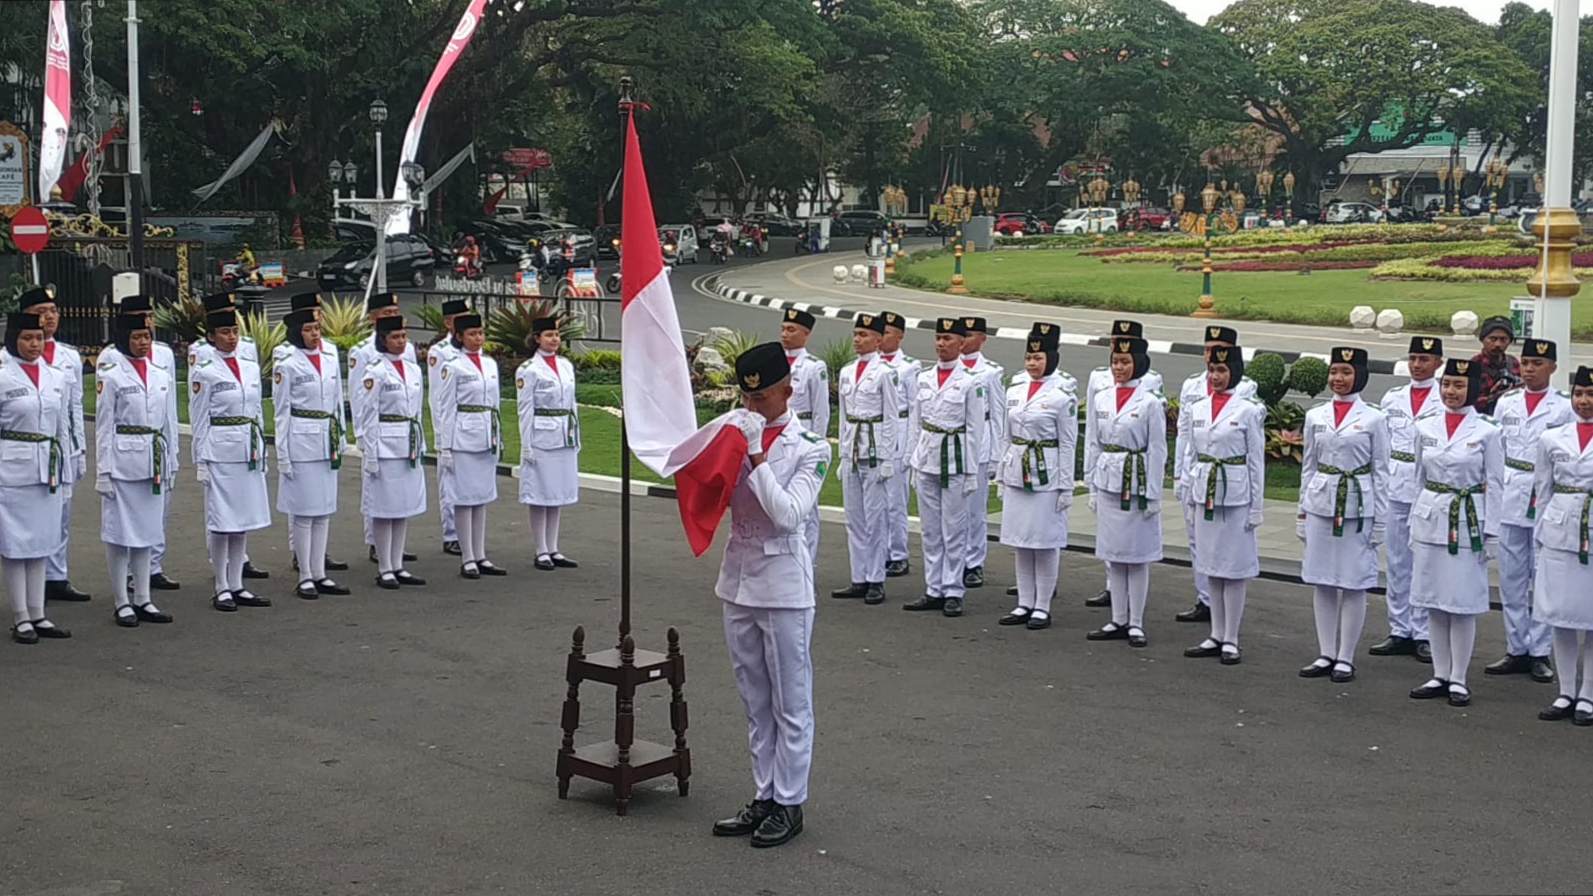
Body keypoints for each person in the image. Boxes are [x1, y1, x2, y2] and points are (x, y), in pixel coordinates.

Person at [709, 343, 830, 849]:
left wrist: (756, 454)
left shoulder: (811, 447)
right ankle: (764, 793)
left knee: (790, 701)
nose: (754, 406)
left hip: (783, 584)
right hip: (738, 577)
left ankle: (789, 800)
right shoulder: (738, 431)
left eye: (764, 397)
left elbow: (788, 514)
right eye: (748, 397)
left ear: (788, 390)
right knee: (754, 698)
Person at [1407, 358, 1504, 708]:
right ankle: (1439, 672)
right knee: (1433, 600)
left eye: (1459, 385)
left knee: (1460, 602)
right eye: (1446, 384)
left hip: (1467, 522)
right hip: (1431, 518)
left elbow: (1495, 483)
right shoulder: (1425, 426)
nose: (1450, 391)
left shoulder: (1487, 431)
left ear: (1473, 389)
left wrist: (1491, 533)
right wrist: (1412, 525)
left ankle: (1459, 678)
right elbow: (1419, 478)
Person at [1297, 348, 1390, 683]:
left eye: (1346, 372)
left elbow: (1381, 470)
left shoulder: (1374, 418)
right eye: (1334, 371)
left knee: (1352, 583)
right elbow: (1308, 466)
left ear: (1360, 375)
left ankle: (1346, 656)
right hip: (1321, 503)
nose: (1338, 378)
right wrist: (1301, 512)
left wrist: (1380, 520)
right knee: (1322, 581)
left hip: (1357, 507)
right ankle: (1325, 652)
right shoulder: (1316, 415)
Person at [1486, 337, 1571, 684]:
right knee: (1511, 577)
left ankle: (1539, 649)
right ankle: (1515, 646)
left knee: (1543, 577)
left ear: (1552, 367)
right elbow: (1497, 449)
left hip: (1544, 493)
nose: (1530, 369)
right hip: (1510, 489)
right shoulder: (1507, 404)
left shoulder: (1563, 408)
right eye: (1526, 363)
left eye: (1538, 364)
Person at [1177, 346, 1266, 664]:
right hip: (1205, 493)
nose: (1215, 377)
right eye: (1212, 370)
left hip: (1235, 495)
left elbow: (1256, 461)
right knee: (1211, 566)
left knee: (1234, 569)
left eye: (1222, 371)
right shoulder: (1197, 408)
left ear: (1235, 373)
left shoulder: (1248, 410)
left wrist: (1257, 506)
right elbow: (1190, 452)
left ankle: (1231, 637)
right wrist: (1187, 492)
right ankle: (1215, 633)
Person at [1084, 335, 1167, 648]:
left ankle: (1136, 622)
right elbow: (1094, 440)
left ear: (1138, 365)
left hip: (1137, 482)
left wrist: (1155, 494)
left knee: (1137, 556)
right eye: (1115, 362)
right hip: (1108, 480)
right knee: (1113, 554)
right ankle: (1117, 618)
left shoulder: (1149, 402)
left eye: (1125, 362)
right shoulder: (1102, 397)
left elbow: (1158, 450)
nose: (1119, 368)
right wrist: (1091, 483)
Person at [189, 304, 273, 612]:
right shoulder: (205, 372)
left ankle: (238, 583)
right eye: (225, 332)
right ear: (212, 337)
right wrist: (200, 459)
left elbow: (256, 412)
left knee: (242, 520)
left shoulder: (250, 367)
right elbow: (198, 418)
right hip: (220, 449)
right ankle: (221, 585)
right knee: (221, 520)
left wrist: (261, 448)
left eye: (235, 331)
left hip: (246, 449)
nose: (232, 337)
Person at [96, 312, 176, 628]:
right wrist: (103, 471)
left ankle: (143, 597)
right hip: (123, 460)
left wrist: (169, 461)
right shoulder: (112, 375)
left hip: (152, 460)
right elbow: (103, 426)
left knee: (146, 531)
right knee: (118, 534)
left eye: (147, 336)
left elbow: (167, 422)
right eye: (136, 337)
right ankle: (121, 600)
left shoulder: (160, 374)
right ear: (124, 339)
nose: (143, 343)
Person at [995, 324, 1076, 631]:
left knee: (1044, 542)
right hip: (1018, 471)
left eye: (1038, 357)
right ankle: (1024, 602)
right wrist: (1001, 476)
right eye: (1029, 357)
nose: (1032, 363)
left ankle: (1042, 605)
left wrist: (1066, 486)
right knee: (1021, 541)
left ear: (1051, 358)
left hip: (1046, 475)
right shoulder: (1014, 391)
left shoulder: (1061, 395)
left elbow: (1068, 443)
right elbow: (1007, 436)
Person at [902, 318, 984, 617]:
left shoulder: (972, 381)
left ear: (962, 343)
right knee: (930, 529)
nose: (940, 343)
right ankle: (933, 587)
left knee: (954, 528)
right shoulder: (923, 378)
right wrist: (912, 460)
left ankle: (953, 588)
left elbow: (975, 430)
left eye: (948, 338)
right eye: (938, 338)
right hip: (927, 459)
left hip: (956, 460)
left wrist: (973, 471)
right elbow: (915, 422)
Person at [1371, 336, 1445, 663]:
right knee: (1398, 561)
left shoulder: (1445, 398)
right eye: (1413, 358)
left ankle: (1424, 632)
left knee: (1425, 563)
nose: (1417, 365)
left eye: (1425, 359)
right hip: (1395, 484)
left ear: (1438, 362)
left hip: (1427, 486)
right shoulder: (1393, 397)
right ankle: (1399, 628)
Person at [1, 312, 73, 643]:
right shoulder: (3, 376)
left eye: (39, 338)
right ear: (13, 339)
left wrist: (67, 474)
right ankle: (21, 616)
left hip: (49, 468)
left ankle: (38, 612)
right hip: (12, 469)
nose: (34, 345)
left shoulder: (55, 376)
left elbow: (62, 428)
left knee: (42, 541)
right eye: (27, 339)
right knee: (16, 544)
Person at [274, 308, 352, 600]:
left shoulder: (329, 359)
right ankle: (305, 574)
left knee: (323, 510)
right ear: (297, 333)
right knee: (305, 511)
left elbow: (335, 403)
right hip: (301, 440)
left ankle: (320, 572)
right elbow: (281, 412)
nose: (315, 334)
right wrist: (283, 453)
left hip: (326, 438)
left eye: (317, 328)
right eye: (308, 329)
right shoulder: (288, 364)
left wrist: (341, 436)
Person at [1530, 365, 1593, 724]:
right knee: (1561, 616)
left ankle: (1588, 694)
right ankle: (1566, 690)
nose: (1584, 402)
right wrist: (1541, 538)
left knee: (1591, 617)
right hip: (1559, 530)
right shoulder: (1552, 438)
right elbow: (1544, 489)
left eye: (1590, 395)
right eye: (1579, 394)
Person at [19, 288, 90, 604]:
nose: (50, 316)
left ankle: (56, 576)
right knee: (29, 514)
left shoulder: (69, 356)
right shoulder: (12, 358)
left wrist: (79, 449)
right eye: (42, 310)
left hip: (61, 446)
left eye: (54, 309)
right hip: (27, 447)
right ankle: (28, 577)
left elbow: (76, 406)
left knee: (60, 513)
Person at [108, 295, 182, 592]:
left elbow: (170, 408)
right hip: (128, 446)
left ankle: (153, 566)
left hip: (157, 442)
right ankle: (127, 572)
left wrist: (173, 449)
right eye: (138, 317)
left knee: (158, 509)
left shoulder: (162, 355)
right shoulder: (111, 358)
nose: (146, 323)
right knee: (128, 516)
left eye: (148, 317)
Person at [831, 313, 901, 605]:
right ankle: (858, 576)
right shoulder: (847, 372)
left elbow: (892, 415)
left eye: (864, 335)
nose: (858, 339)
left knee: (875, 518)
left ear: (878, 339)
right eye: (855, 334)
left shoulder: (885, 372)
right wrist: (842, 453)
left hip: (874, 448)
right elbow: (845, 416)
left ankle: (875, 578)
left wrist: (887, 456)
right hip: (853, 449)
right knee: (854, 518)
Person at [356, 316, 428, 589]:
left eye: (403, 336)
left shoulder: (412, 369)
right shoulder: (375, 371)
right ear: (383, 339)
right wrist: (371, 452)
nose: (401, 341)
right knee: (383, 507)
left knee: (402, 507)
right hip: (385, 443)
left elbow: (417, 411)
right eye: (395, 337)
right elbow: (368, 414)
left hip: (407, 443)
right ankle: (384, 566)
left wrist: (419, 443)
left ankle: (398, 563)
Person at [435, 313, 506, 579]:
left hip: (486, 434)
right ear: (460, 336)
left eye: (481, 333)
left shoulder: (489, 364)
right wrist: (445, 446)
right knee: (465, 499)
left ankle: (481, 554)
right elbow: (446, 406)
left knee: (481, 498)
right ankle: (467, 558)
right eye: (472, 334)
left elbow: (495, 404)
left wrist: (498, 436)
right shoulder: (453, 365)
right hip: (463, 436)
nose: (478, 338)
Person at [350, 293, 416, 566]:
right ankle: (376, 545)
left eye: (394, 311)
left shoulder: (407, 350)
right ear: (372, 317)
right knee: (377, 495)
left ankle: (394, 552)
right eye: (385, 312)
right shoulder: (363, 351)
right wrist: (362, 437)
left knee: (399, 496)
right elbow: (359, 396)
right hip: (378, 431)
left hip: (402, 431)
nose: (391, 315)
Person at [516, 316, 580, 571]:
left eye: (556, 334)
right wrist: (526, 444)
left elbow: (572, 404)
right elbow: (525, 409)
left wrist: (576, 434)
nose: (554, 339)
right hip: (542, 435)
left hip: (563, 433)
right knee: (540, 493)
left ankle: (554, 547)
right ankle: (541, 549)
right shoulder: (529, 369)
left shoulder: (565, 365)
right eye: (548, 335)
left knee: (557, 493)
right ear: (537, 339)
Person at [778, 308, 831, 563]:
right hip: (779, 438)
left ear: (806, 334)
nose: (785, 334)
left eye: (792, 330)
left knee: (807, 507)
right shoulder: (776, 362)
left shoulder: (814, 367)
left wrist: (817, 447)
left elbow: (821, 412)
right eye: (784, 329)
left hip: (804, 434)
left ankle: (806, 565)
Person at [958, 317, 1005, 589]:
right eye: (961, 334)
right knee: (953, 508)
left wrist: (996, 454)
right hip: (952, 440)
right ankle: (953, 558)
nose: (964, 339)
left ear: (982, 338)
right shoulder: (949, 368)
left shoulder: (990, 372)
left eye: (970, 334)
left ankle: (974, 562)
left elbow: (998, 413)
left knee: (975, 509)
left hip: (980, 443)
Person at [427, 299, 470, 556]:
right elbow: (438, 395)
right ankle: (450, 533)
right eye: (458, 318)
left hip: (470, 427)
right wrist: (442, 433)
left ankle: (467, 533)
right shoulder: (439, 352)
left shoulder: (468, 348)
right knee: (449, 481)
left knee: (468, 481)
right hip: (448, 424)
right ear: (447, 322)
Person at [879, 311, 917, 578]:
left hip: (900, 430)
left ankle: (898, 553)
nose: (882, 338)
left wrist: (910, 448)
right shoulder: (869, 366)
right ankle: (878, 550)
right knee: (875, 499)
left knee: (895, 498)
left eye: (888, 333)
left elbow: (915, 408)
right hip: (875, 429)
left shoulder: (909, 367)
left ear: (900, 336)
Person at [1472, 315, 1520, 416]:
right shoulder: (1473, 366)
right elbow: (1465, 403)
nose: (1498, 344)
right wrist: (1493, 398)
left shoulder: (1513, 363)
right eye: (1492, 339)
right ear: (1482, 339)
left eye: (1503, 339)